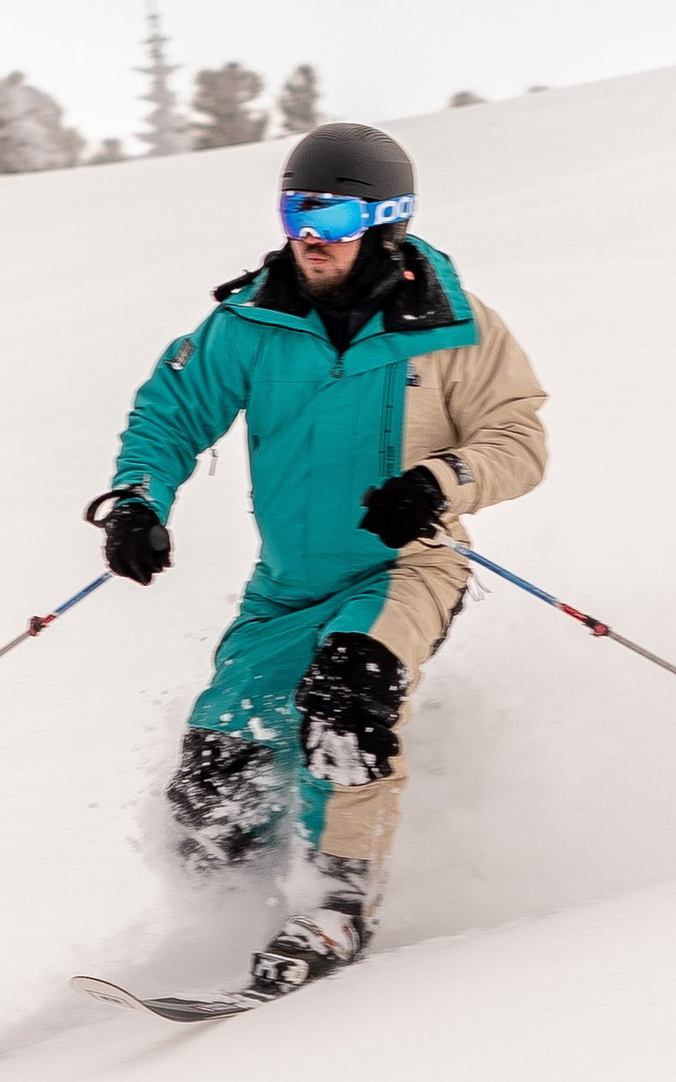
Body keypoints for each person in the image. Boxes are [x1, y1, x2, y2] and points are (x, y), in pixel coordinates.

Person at [88, 121, 548, 998]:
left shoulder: (453, 326)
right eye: (298, 208)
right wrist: (140, 499)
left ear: (386, 222)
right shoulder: (252, 320)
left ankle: (337, 902)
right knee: (219, 758)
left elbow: (519, 439)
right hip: (289, 583)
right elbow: (171, 411)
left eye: (333, 216)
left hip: (408, 565)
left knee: (349, 689)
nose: (309, 232)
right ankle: (224, 917)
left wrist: (442, 478)